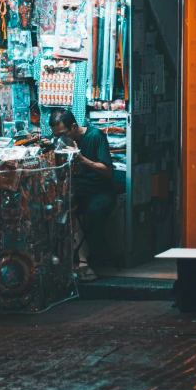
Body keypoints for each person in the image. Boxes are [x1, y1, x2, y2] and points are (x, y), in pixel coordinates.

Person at [49, 108, 116, 280]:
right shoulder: (62, 142)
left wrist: (81, 159)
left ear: (73, 126)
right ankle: (70, 262)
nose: (60, 139)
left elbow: (108, 171)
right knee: (58, 209)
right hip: (78, 190)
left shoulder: (95, 136)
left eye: (63, 134)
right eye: (56, 135)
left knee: (93, 213)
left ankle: (90, 262)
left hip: (99, 189)